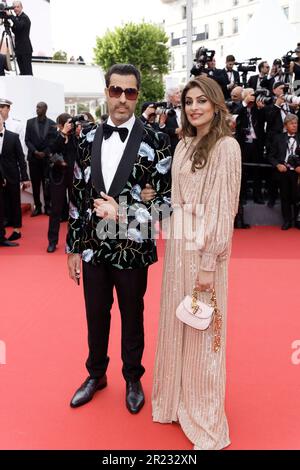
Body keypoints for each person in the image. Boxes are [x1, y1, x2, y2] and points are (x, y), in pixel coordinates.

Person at [67, 63, 172, 414]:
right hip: (93, 250)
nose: (122, 99)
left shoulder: (157, 141)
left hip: (132, 250)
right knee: (95, 315)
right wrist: (72, 247)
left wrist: (124, 211)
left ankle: (132, 377)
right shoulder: (84, 139)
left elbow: (167, 205)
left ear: (138, 95)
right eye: (116, 91)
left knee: (132, 314)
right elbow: (78, 197)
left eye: (130, 92)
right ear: (106, 91)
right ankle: (96, 375)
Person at [152, 75, 241, 450]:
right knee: (178, 320)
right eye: (189, 101)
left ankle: (202, 408)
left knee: (204, 328)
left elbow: (223, 209)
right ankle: (174, 399)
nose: (194, 107)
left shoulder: (227, 147)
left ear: (216, 104)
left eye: (202, 100)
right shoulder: (184, 145)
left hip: (205, 248)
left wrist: (209, 261)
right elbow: (174, 201)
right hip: (178, 245)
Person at [46, 113, 78, 253]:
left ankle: (72, 241)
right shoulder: (53, 134)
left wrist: (75, 133)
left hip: (73, 177)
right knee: (56, 210)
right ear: (60, 124)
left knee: (74, 210)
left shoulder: (74, 137)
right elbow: (51, 150)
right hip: (57, 177)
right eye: (67, 123)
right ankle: (52, 241)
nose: (70, 126)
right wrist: (62, 133)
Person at [0, 113, 30, 243]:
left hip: (12, 175)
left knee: (15, 202)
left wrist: (25, 177)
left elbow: (21, 159)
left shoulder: (13, 137)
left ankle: (17, 230)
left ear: (2, 123)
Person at [268, 114, 300, 230]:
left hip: (297, 173)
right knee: (285, 197)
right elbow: (270, 156)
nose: (295, 125)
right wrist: (277, 165)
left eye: (296, 123)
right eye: (292, 123)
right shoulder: (278, 138)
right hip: (283, 172)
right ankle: (287, 221)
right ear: (286, 126)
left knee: (297, 197)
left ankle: (297, 220)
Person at [25, 102, 56, 216]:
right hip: (33, 158)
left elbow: (53, 142)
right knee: (35, 184)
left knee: (47, 184)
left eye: (39, 107)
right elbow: (27, 140)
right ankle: (37, 207)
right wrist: (35, 151)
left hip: (46, 159)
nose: (37, 109)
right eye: (36, 107)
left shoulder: (52, 124)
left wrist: (45, 152)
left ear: (45, 109)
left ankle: (48, 207)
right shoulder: (30, 122)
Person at [6, 1, 33, 76]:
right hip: (18, 49)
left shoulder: (24, 17)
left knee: (27, 72)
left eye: (18, 7)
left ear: (21, 7)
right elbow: (16, 30)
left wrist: (11, 16)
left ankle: (30, 87)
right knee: (22, 72)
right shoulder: (17, 18)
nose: (16, 9)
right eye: (14, 7)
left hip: (25, 49)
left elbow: (20, 26)